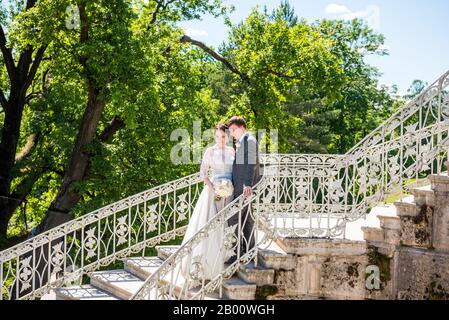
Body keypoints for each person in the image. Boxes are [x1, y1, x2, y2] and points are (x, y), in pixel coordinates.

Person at [180, 123, 235, 281]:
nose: (220, 139)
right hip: (214, 192)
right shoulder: (210, 151)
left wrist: (229, 188)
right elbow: (203, 173)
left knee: (225, 223)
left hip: (229, 191)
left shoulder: (232, 151)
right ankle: (205, 266)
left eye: (223, 136)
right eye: (217, 136)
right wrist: (214, 188)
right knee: (212, 222)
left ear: (228, 137)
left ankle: (224, 258)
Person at [226, 116, 261, 264]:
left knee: (236, 218)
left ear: (242, 128)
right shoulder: (244, 141)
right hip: (241, 186)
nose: (232, 133)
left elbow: (251, 164)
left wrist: (247, 184)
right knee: (246, 219)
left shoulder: (250, 141)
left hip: (245, 188)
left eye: (233, 130)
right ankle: (248, 251)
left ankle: (237, 252)